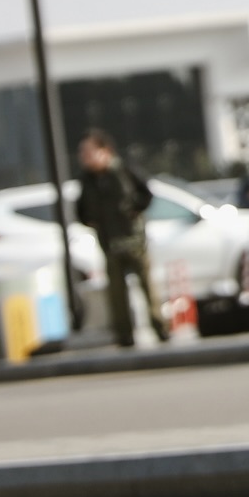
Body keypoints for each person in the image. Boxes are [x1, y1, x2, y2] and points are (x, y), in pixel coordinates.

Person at [75, 129, 163, 348]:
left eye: (89, 152)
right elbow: (81, 211)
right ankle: (124, 336)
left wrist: (133, 211)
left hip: (134, 241)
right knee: (116, 293)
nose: (85, 157)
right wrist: (93, 222)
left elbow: (146, 193)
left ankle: (161, 328)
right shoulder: (87, 180)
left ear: (105, 151)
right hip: (109, 243)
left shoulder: (124, 169)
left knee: (147, 286)